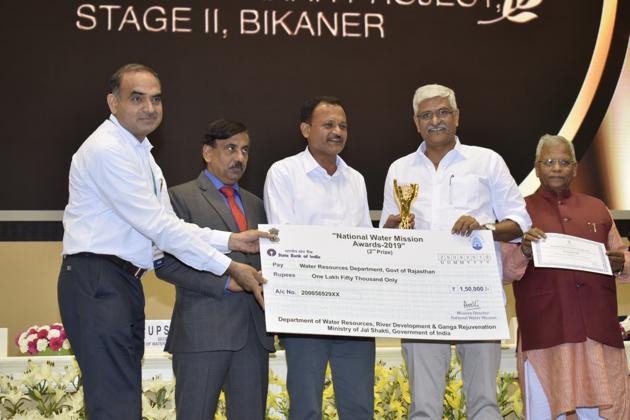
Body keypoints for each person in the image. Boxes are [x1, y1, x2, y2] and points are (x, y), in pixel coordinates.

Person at [58, 64, 272, 420]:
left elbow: (170, 226)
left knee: (123, 400)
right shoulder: (107, 149)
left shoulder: (143, 155)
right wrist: (230, 264)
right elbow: (159, 227)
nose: (150, 108)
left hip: (122, 282)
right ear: (113, 102)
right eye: (137, 98)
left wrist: (232, 239)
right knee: (115, 404)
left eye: (156, 99)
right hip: (96, 279)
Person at [379, 84, 530, 419]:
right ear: (416, 123)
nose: (435, 120)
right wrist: (390, 230)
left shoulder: (487, 161)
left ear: (457, 117)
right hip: (421, 298)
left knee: (485, 402)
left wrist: (484, 227)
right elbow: (388, 239)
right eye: (426, 115)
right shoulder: (399, 169)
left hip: (476, 297)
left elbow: (520, 222)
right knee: (423, 406)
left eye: (443, 112)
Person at [501, 134, 630, 419]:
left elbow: (623, 257)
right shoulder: (518, 213)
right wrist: (523, 250)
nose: (556, 168)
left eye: (563, 162)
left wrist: (621, 263)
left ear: (575, 168)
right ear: (536, 168)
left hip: (598, 336)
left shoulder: (598, 208)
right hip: (547, 334)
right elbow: (505, 271)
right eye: (549, 162)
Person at [155, 119, 275, 419]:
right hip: (202, 334)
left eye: (245, 150)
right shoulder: (179, 198)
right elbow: (165, 264)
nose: (240, 158)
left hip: (253, 336)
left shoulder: (258, 204)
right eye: (230, 148)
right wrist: (226, 283)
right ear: (207, 152)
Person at [264, 96, 374, 419]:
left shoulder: (357, 180)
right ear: (305, 129)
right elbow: (284, 241)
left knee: (359, 408)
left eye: (342, 125)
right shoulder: (283, 173)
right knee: (306, 407)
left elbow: (364, 241)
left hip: (355, 313)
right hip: (305, 311)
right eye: (328, 124)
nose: (337, 131)